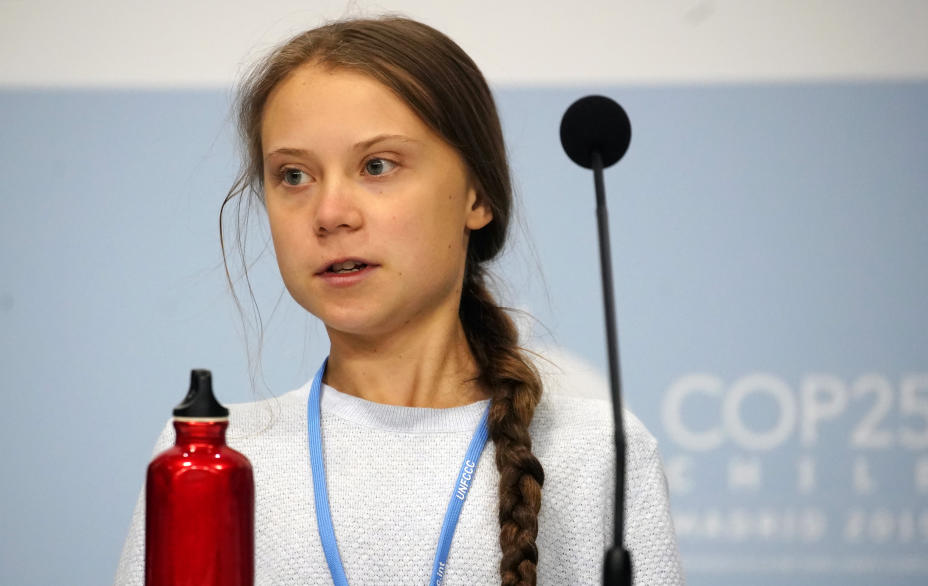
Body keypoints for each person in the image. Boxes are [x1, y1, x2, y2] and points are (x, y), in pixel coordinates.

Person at [115, 16, 683, 586]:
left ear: (477, 194)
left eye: (377, 166)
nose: (331, 213)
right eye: (293, 175)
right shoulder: (206, 460)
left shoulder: (594, 455)